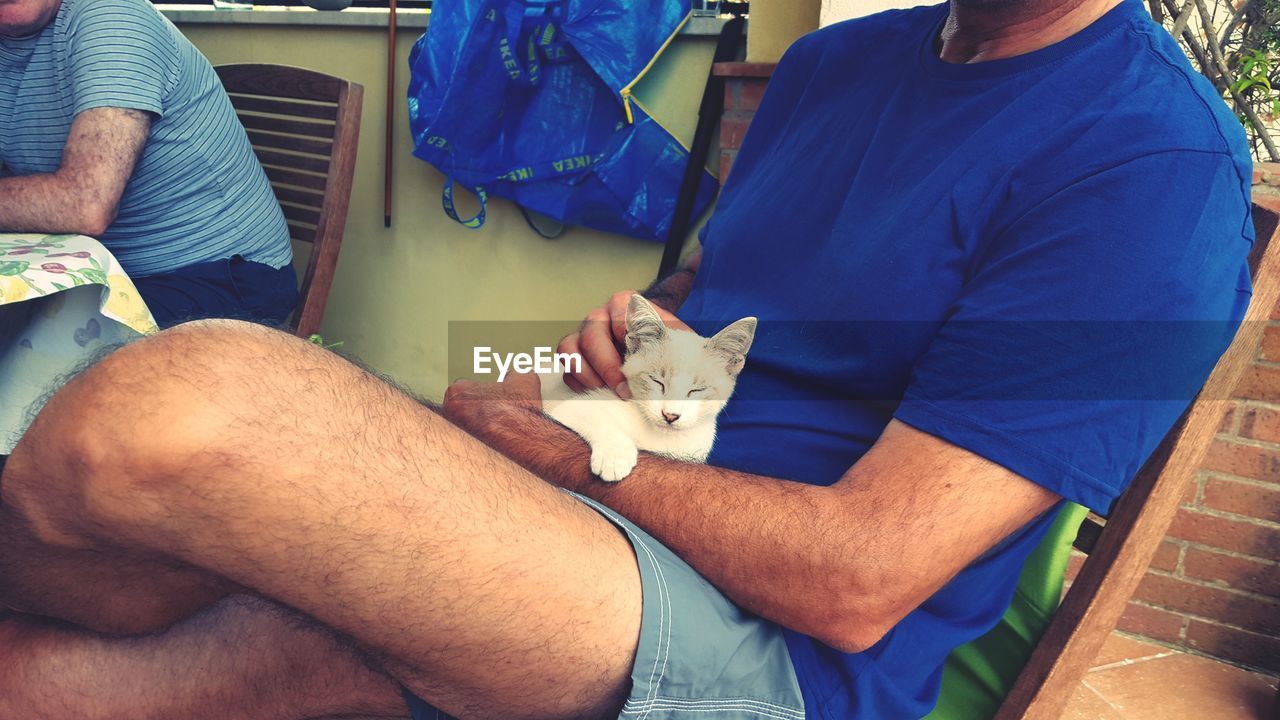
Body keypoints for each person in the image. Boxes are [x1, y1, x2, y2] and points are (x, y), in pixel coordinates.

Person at [0, 0, 1256, 718]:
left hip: (786, 654)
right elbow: (712, 310)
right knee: (148, 602)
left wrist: (569, 452)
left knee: (188, 406)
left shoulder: (1147, 164)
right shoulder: (834, 65)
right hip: (637, 483)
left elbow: (859, 580)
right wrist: (632, 340)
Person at [0, 0, 298, 326]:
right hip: (98, 272)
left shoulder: (111, 14)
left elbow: (86, 203)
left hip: (218, 274)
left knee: (40, 363)